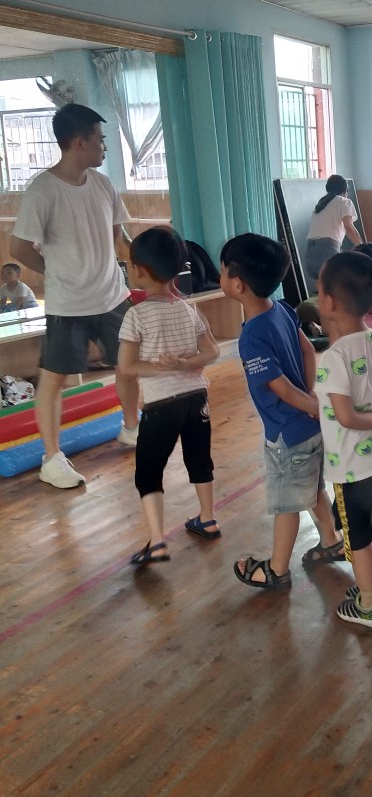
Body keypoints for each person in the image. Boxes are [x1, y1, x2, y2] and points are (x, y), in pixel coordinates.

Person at [10, 103, 140, 488]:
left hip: (112, 296)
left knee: (128, 366)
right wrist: (54, 271)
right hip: (68, 304)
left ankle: (132, 426)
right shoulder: (43, 190)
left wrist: (150, 268)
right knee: (53, 379)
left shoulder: (103, 185)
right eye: (101, 140)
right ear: (80, 143)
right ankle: (52, 459)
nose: (105, 147)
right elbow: (19, 248)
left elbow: (120, 238)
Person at [219, 233, 344, 590]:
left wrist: (311, 404)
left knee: (287, 504)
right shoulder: (282, 309)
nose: (220, 276)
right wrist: (310, 395)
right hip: (306, 427)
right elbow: (307, 352)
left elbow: (281, 388)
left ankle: (276, 569)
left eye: (223, 271)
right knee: (311, 487)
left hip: (286, 434)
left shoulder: (252, 336)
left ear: (237, 283)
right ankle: (331, 540)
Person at [117, 227, 220, 567]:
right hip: (196, 398)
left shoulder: (136, 315)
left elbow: (127, 367)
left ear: (139, 270)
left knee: (148, 472)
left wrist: (160, 368)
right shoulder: (188, 309)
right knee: (199, 459)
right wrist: (186, 364)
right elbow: (213, 351)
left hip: (162, 405)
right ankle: (208, 518)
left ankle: (158, 542)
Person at [315, 252, 372, 628]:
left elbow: (346, 416)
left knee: (355, 534)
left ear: (330, 302)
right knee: (363, 524)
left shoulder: (333, 358)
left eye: (319, 290)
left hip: (349, 464)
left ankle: (369, 605)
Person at [304, 174, 363, 283]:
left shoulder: (320, 206)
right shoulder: (344, 201)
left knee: (322, 288)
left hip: (310, 254)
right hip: (327, 251)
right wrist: (363, 248)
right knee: (342, 286)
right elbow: (349, 227)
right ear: (345, 191)